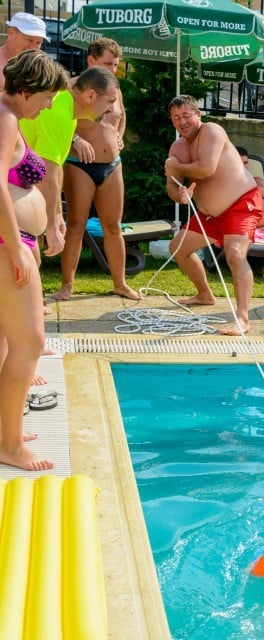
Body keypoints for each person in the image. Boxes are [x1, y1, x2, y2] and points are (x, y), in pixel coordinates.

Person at [0, 50, 68, 471]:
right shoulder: (5, 119)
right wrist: (16, 245)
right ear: (27, 90)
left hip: (11, 241)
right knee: (30, 343)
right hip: (7, 244)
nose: (48, 105)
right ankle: (9, 446)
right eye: (46, 96)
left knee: (11, 343)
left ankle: (6, 429)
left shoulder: (9, 117)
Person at [164, 95, 263, 336]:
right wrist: (180, 195)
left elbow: (206, 167)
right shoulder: (177, 148)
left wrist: (176, 167)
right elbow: (171, 186)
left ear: (198, 115)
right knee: (178, 248)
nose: (182, 121)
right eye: (177, 118)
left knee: (235, 254)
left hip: (241, 204)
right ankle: (205, 294)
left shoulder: (212, 131)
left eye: (186, 115)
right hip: (209, 215)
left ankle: (242, 319)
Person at [55, 39, 139, 301]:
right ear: (91, 60)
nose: (112, 70)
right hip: (80, 165)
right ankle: (67, 284)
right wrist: (75, 140)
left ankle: (120, 283)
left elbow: (121, 116)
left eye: (115, 65)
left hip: (113, 165)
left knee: (113, 226)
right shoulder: (71, 89)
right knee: (77, 224)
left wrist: (119, 136)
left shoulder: (114, 88)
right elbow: (57, 124)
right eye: (107, 64)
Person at [19, 64, 120, 260]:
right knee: (26, 265)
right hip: (11, 186)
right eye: (110, 102)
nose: (111, 110)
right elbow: (46, 174)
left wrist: (57, 215)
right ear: (90, 96)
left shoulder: (68, 111)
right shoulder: (59, 113)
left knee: (31, 263)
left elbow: (56, 171)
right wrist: (51, 224)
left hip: (17, 187)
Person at [0, 13, 47, 89]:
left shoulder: (37, 67)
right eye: (30, 40)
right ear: (11, 33)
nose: (33, 48)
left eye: (38, 43)